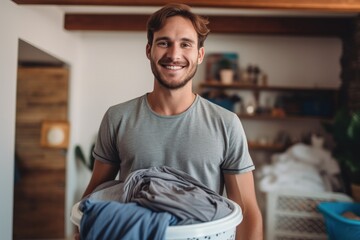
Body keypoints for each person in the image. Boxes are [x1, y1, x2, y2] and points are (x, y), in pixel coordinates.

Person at [79, 3, 263, 240]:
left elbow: (246, 210)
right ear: (149, 50)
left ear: (199, 55)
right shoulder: (118, 117)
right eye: (164, 42)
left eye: (185, 44)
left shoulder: (226, 123)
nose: (174, 54)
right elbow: (96, 192)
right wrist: (82, 229)